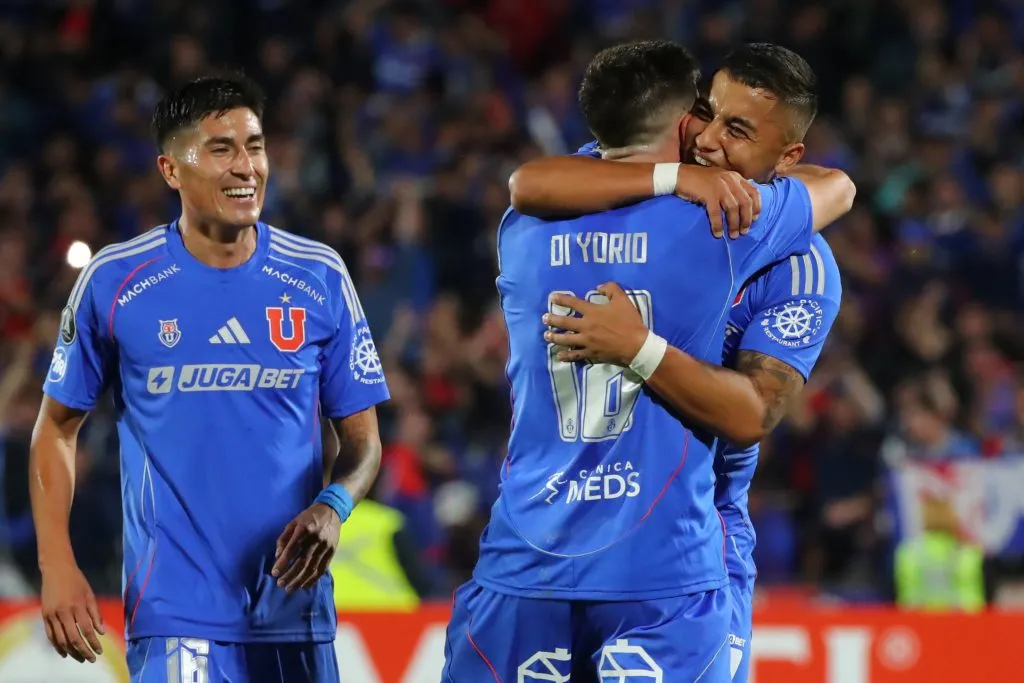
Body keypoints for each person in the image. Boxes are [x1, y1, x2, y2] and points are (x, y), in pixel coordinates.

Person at [442, 40, 853, 682]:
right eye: (705, 113)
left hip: (691, 533)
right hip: (628, 557)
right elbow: (837, 188)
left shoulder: (796, 264)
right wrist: (675, 176)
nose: (709, 141)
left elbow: (752, 412)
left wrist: (638, 347)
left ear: (788, 155)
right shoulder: (630, 189)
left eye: (737, 130)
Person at [29, 73, 390, 683]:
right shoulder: (116, 283)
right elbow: (56, 429)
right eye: (221, 148)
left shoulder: (319, 277)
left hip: (294, 609)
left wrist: (333, 507)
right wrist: (56, 563)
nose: (245, 166)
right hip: (177, 612)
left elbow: (364, 444)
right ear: (171, 170)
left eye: (255, 145)